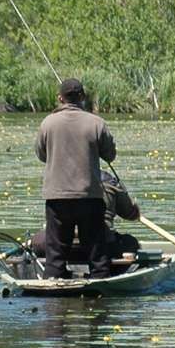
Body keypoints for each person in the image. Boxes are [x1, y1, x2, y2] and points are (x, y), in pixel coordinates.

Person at [34, 77, 116, 278]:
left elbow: (41, 155)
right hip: (89, 197)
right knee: (97, 255)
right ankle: (99, 285)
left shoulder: (48, 123)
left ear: (60, 98)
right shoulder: (97, 123)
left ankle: (54, 285)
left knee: (55, 256)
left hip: (57, 198)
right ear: (83, 97)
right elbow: (110, 155)